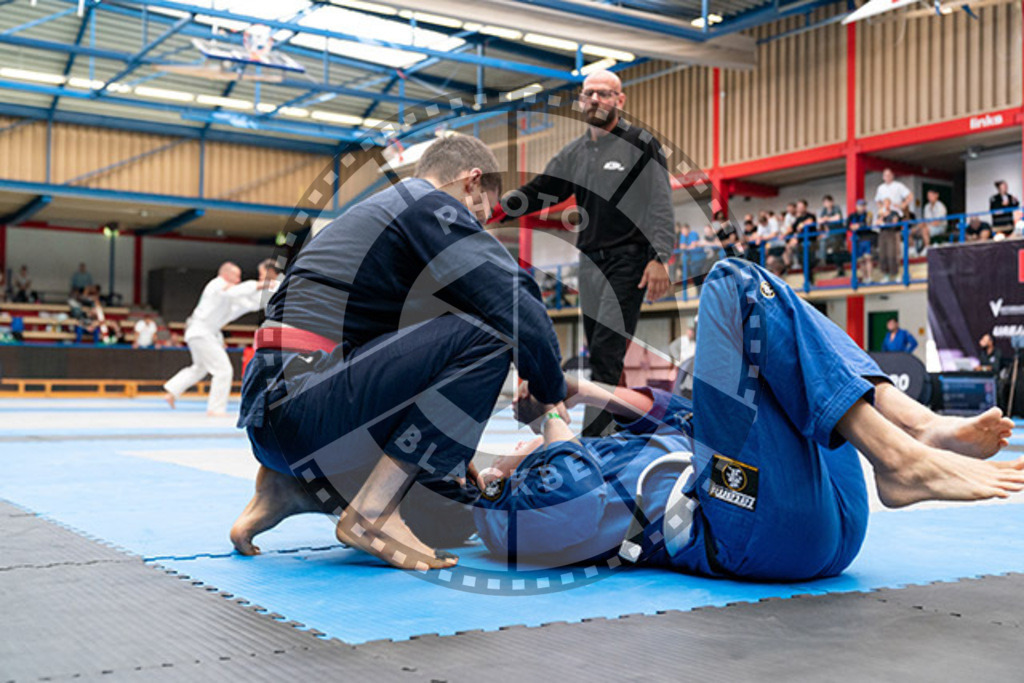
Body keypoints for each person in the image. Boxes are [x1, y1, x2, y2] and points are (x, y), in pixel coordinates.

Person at [475, 259, 1022, 582]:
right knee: (731, 283)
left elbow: (674, 413)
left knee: (774, 316)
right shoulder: (507, 512)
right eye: (498, 454)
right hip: (753, 530)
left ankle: (912, 426)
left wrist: (573, 387)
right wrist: (550, 415)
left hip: (830, 513)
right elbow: (576, 494)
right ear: (495, 477)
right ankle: (902, 455)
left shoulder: (591, 450)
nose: (508, 446)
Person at [229, 134, 566, 570]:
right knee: (490, 335)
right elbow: (514, 300)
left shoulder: (379, 216)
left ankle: (291, 489)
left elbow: (412, 361)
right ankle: (372, 513)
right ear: (471, 182)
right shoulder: (427, 203)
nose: (476, 228)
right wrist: (551, 394)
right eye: (479, 214)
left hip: (275, 416)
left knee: (449, 516)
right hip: (305, 401)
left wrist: (453, 448)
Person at [498, 69, 674, 437]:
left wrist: (660, 257)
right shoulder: (574, 154)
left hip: (629, 261)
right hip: (589, 263)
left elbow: (660, 201)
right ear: (580, 100)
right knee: (600, 353)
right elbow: (540, 189)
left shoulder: (641, 144)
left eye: (604, 94)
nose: (595, 100)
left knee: (606, 355)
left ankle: (595, 445)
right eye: (589, 94)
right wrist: (494, 210)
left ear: (619, 101)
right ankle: (629, 430)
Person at [162, 262, 267, 417]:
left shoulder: (228, 294)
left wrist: (270, 290)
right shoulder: (217, 285)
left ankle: (172, 391)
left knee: (200, 367)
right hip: (201, 332)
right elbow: (236, 293)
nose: (238, 280)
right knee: (223, 370)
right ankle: (215, 409)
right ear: (226, 274)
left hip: (203, 333)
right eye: (236, 276)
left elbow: (248, 304)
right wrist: (258, 284)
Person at [875, 198, 903, 283]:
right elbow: (877, 224)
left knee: (892, 254)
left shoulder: (894, 213)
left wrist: (883, 223)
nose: (885, 205)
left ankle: (896, 274)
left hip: (892, 234)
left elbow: (894, 224)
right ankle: (885, 275)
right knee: (883, 255)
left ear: (890, 204)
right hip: (883, 235)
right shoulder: (880, 214)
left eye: (887, 203)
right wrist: (881, 217)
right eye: (884, 203)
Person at [848, 199, 875, 283]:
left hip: (866, 238)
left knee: (868, 258)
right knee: (860, 260)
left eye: (863, 205)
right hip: (857, 239)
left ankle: (869, 277)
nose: (862, 207)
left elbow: (868, 223)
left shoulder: (868, 214)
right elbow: (847, 225)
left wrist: (858, 225)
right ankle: (865, 277)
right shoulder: (852, 216)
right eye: (860, 205)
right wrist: (851, 227)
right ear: (857, 206)